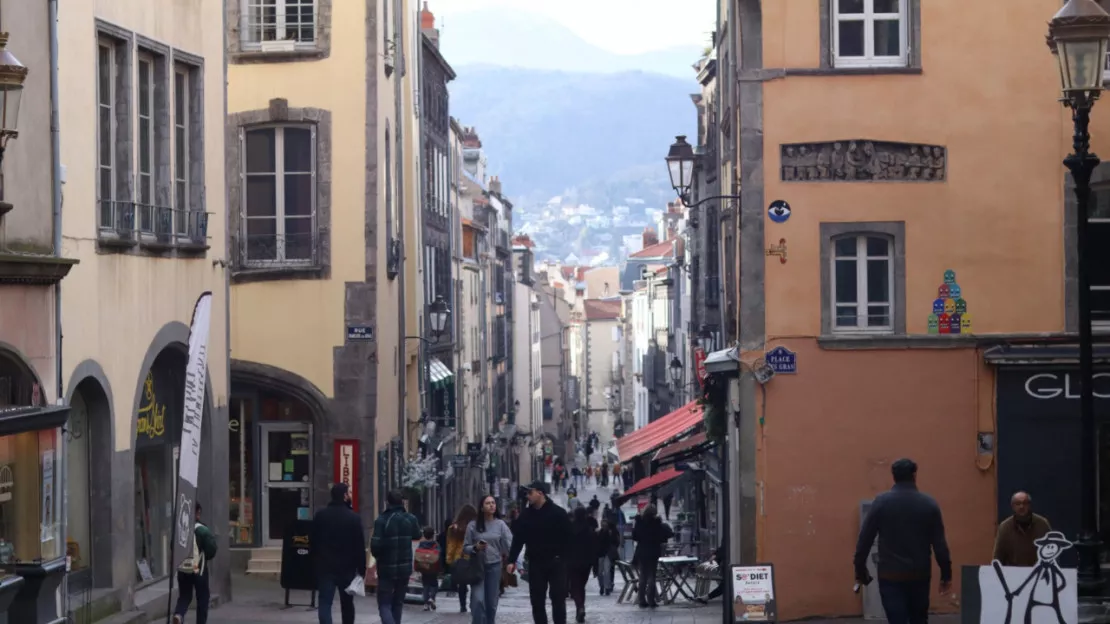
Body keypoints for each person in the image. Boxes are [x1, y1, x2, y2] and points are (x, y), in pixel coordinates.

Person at [853, 458, 952, 624]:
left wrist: (860, 571)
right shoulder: (929, 504)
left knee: (896, 619)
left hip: (890, 575)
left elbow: (864, 541)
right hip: (919, 574)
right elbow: (940, 545)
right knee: (919, 619)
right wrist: (946, 575)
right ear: (914, 476)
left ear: (894, 477)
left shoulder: (881, 503)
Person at [508, 481, 572, 624]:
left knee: (558, 599)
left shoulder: (558, 513)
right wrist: (511, 560)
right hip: (536, 563)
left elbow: (569, 538)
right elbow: (518, 539)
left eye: (530, 493)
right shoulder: (526, 515)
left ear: (540, 493)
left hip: (556, 563)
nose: (528, 496)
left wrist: (565, 559)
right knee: (537, 601)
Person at [310, 484, 366, 624]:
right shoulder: (353, 518)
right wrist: (361, 568)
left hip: (325, 566)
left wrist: (315, 560)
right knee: (347, 604)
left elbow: (313, 541)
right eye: (349, 492)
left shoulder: (320, 516)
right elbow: (359, 545)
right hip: (347, 568)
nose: (351, 495)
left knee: (325, 602)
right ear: (344, 496)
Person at [370, 490, 422, 624]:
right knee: (398, 602)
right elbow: (417, 534)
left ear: (388, 502)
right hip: (404, 567)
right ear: (402, 502)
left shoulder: (382, 520)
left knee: (384, 603)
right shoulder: (410, 518)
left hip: (386, 567)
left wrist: (379, 557)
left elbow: (375, 545)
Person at [464, 495, 513, 624]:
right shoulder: (473, 525)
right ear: (481, 507)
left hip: (495, 566)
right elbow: (465, 548)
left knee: (491, 603)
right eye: (488, 503)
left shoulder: (500, 525)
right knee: (478, 600)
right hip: (477, 567)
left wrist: (512, 561)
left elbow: (509, 544)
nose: (491, 505)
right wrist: (475, 547)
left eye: (493, 503)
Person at [172, 503, 217, 624]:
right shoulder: (202, 530)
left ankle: (179, 614)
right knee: (202, 597)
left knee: (184, 596)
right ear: (197, 512)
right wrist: (204, 557)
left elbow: (173, 547)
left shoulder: (179, 528)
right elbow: (212, 549)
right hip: (198, 569)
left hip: (182, 568)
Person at [993, 490, 1052, 567]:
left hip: (1038, 572)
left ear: (1029, 505)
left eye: (1025, 503)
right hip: (1013, 574)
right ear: (1013, 506)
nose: (1021, 506)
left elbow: (1053, 552)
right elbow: (998, 556)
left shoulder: (1043, 524)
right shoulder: (1004, 527)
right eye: (1018, 503)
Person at [632, 504, 673, 609]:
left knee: (642, 576)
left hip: (641, 551)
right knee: (651, 576)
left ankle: (641, 600)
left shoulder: (639, 522)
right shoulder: (656, 523)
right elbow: (662, 537)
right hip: (653, 551)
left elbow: (635, 537)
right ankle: (651, 600)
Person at [567, 506, 598, 623]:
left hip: (572, 562)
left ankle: (580, 607)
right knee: (581, 587)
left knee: (574, 587)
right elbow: (594, 549)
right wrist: (595, 565)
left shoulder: (569, 529)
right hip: (586, 563)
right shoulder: (590, 531)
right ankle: (580, 609)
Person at [447, 504, 479, 613]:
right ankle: (473, 603)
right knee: (475, 581)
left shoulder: (454, 528)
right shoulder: (477, 526)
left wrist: (450, 560)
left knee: (462, 584)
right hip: (474, 556)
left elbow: (451, 545)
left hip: (460, 557)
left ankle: (462, 605)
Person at [417, 527, 441, 611]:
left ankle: (425, 604)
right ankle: (432, 598)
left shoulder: (421, 544)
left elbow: (418, 554)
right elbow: (439, 555)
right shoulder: (436, 544)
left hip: (424, 567)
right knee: (434, 584)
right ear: (433, 535)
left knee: (425, 585)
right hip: (433, 567)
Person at [597, 518, 620, 596]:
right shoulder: (599, 533)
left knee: (607, 571)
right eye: (602, 525)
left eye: (605, 525)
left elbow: (616, 542)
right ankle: (602, 586)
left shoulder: (611, 532)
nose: (604, 526)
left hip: (608, 554)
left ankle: (607, 587)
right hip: (600, 554)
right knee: (600, 572)